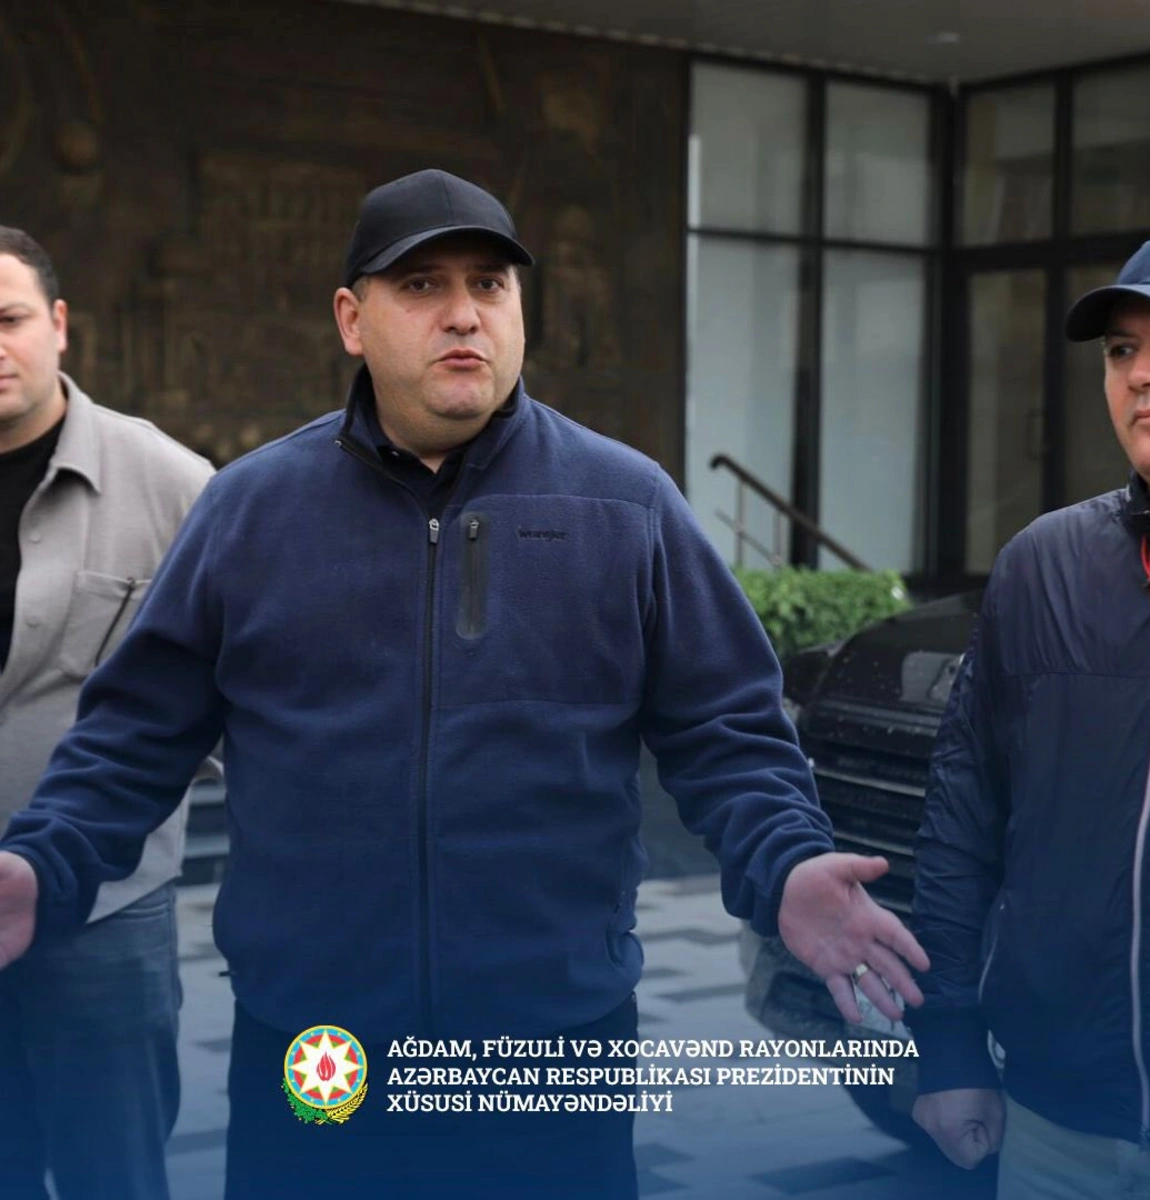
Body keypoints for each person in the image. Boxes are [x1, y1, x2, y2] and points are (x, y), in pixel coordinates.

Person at [0, 171, 928, 1199]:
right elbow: (134, 735)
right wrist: (45, 862)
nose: (463, 314)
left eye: (489, 284)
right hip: (320, 1047)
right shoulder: (252, 512)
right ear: (352, 319)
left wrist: (788, 862)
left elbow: (729, 731)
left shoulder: (625, 507)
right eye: (421, 285)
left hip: (552, 1044)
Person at [909, 223, 1150, 1199]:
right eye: (1122, 350)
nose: (1143, 374)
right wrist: (949, 1045)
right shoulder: (1042, 564)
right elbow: (964, 818)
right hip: (1051, 1127)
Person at [0, 228, 213, 1199]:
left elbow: (236, 683)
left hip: (104, 913)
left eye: (9, 320)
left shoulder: (170, 480)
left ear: (59, 324)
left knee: (112, 1175)